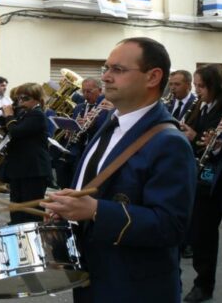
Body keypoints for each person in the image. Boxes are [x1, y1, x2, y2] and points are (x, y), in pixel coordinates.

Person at [42, 37, 196, 303]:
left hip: (135, 289)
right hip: (93, 280)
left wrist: (95, 210)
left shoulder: (170, 141)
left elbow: (171, 226)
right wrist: (68, 209)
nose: (106, 77)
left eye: (118, 69)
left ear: (153, 77)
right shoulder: (111, 123)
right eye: (106, 68)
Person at [180, 64, 222, 303]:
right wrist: (188, 135)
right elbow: (200, 138)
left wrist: (200, 139)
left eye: (202, 86)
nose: (197, 91)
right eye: (196, 85)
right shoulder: (199, 106)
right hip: (204, 179)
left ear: (215, 86)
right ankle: (203, 284)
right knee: (203, 235)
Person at [1, 83, 51, 224]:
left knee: (30, 209)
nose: (21, 102)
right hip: (21, 167)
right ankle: (16, 229)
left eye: (25, 98)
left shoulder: (37, 114)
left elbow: (16, 132)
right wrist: (7, 115)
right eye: (19, 98)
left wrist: (9, 116)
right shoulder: (25, 113)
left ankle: (31, 233)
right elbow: (10, 129)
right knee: (16, 205)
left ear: (36, 99)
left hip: (33, 169)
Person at [56, 78, 108, 189]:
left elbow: (105, 129)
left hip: (94, 150)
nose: (85, 95)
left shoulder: (105, 108)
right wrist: (71, 128)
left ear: (99, 90)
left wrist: (91, 125)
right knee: (65, 177)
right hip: (76, 150)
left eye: (89, 91)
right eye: (83, 91)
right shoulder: (79, 107)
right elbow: (76, 127)